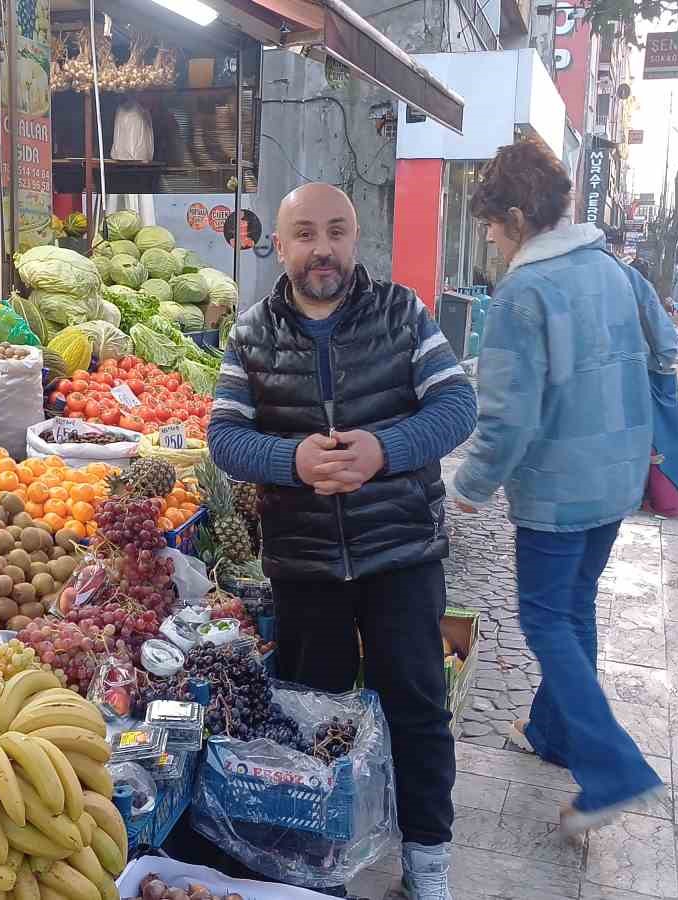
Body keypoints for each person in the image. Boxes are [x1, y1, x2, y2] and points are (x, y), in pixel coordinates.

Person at [208, 183, 477, 900]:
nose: (321, 248)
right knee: (311, 718)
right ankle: (317, 865)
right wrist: (289, 461)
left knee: (417, 708)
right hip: (305, 567)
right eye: (304, 234)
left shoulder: (403, 313)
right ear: (282, 246)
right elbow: (225, 437)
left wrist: (384, 450)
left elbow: (457, 405)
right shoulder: (252, 333)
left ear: (355, 239)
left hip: (402, 556)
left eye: (335, 231)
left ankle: (427, 864)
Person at [450, 139, 676, 836]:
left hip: (556, 491)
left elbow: (507, 414)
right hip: (617, 478)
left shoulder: (525, 291)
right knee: (575, 608)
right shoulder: (612, 269)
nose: (487, 237)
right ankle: (552, 733)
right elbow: (665, 346)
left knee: (546, 618)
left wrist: (472, 483)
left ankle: (614, 770)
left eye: (490, 223)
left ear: (518, 216)